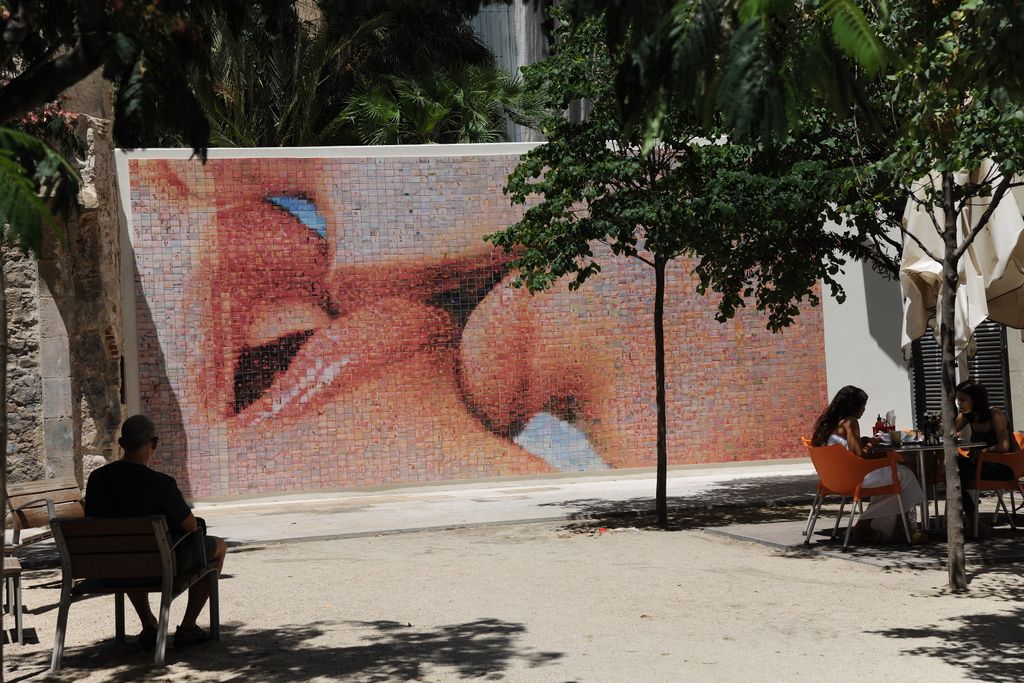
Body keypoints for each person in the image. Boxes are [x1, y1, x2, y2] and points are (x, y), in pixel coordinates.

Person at [85, 415, 227, 648]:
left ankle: (149, 624)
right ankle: (188, 627)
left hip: (111, 567)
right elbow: (190, 526)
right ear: (154, 443)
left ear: (121, 443)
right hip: (160, 567)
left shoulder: (97, 479)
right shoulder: (161, 484)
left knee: (129, 552)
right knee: (217, 546)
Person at [811, 385, 925, 542]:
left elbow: (846, 447)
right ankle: (887, 526)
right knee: (905, 474)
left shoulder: (830, 424)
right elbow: (859, 455)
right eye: (863, 406)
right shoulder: (850, 422)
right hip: (855, 478)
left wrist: (862, 441)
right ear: (854, 406)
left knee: (895, 480)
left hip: (834, 479)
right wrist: (871, 443)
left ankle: (869, 526)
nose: (864, 410)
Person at [954, 379, 1019, 526]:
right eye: (958, 400)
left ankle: (973, 519)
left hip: (1004, 467)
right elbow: (949, 431)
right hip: (981, 464)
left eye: (963, 400)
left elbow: (1004, 446)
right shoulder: (968, 415)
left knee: (956, 476)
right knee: (951, 468)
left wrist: (983, 451)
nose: (959, 403)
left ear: (975, 400)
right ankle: (973, 517)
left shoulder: (994, 414)